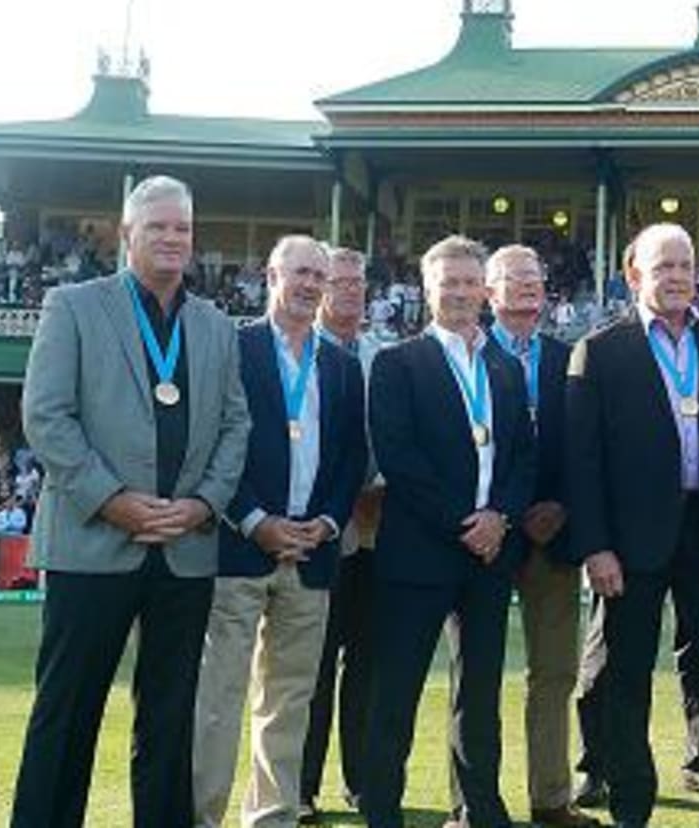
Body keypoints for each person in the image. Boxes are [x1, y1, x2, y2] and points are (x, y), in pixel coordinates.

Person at [11, 175, 252, 828]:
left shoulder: (215, 324)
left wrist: (202, 505)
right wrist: (112, 499)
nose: (173, 238)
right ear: (126, 235)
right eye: (158, 227)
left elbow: (237, 427)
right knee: (67, 711)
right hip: (93, 543)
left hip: (186, 547)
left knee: (170, 719)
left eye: (183, 229)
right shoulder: (74, 306)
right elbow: (47, 417)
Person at [565, 224, 699, 828]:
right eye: (663, 266)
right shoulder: (599, 351)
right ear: (634, 274)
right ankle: (632, 807)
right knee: (626, 681)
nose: (677, 276)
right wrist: (595, 546)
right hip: (629, 545)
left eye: (686, 264)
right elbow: (583, 462)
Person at [191, 236, 366, 828]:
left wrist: (327, 521)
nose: (311, 284)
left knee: (289, 702)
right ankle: (201, 816)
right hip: (239, 548)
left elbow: (350, 457)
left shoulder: (342, 365)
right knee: (219, 699)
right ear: (271, 276)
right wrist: (255, 520)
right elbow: (210, 446)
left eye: (321, 275)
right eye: (300, 272)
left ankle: (273, 818)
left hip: (311, 555)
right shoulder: (233, 349)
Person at [362, 235, 536, 828]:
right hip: (419, 552)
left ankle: (480, 808)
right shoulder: (397, 362)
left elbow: (522, 457)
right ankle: (383, 808)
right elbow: (400, 458)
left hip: (489, 555)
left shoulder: (505, 367)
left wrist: (500, 518)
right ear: (427, 288)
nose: (460, 293)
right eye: (449, 283)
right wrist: (464, 523)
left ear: (485, 291)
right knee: (398, 689)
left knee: (480, 692)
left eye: (470, 283)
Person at [453, 244, 598, 828]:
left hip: (554, 535)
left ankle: (551, 798)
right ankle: (473, 804)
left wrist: (560, 505)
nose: (527, 287)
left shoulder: (571, 358)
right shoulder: (467, 356)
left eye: (535, 277)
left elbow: (586, 446)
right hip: (486, 534)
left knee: (556, 672)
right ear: (488, 290)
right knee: (477, 673)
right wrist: (504, 512)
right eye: (513, 279)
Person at [299, 247, 388, 823]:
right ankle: (301, 789)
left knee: (369, 666)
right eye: (340, 282)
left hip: (380, 530)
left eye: (359, 283)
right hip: (319, 528)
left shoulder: (385, 355)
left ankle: (363, 782)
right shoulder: (302, 352)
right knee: (311, 666)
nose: (351, 291)